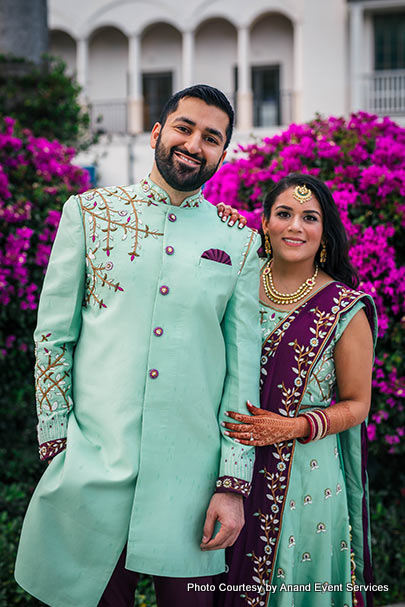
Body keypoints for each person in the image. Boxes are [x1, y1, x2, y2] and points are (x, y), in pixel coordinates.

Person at [14, 85, 262, 607]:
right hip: (94, 470)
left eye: (212, 137)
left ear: (222, 152)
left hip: (193, 488)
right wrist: (58, 445)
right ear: (157, 132)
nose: (195, 144)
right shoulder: (89, 213)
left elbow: (243, 373)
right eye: (184, 127)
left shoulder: (240, 241)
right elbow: (54, 337)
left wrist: (233, 484)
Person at [217, 174, 377, 607]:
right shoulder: (236, 283)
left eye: (310, 218)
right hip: (225, 468)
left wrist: (293, 426)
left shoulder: (344, 308)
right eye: (284, 214)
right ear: (266, 223)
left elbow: (358, 405)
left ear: (324, 234)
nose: (295, 226)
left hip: (306, 477)